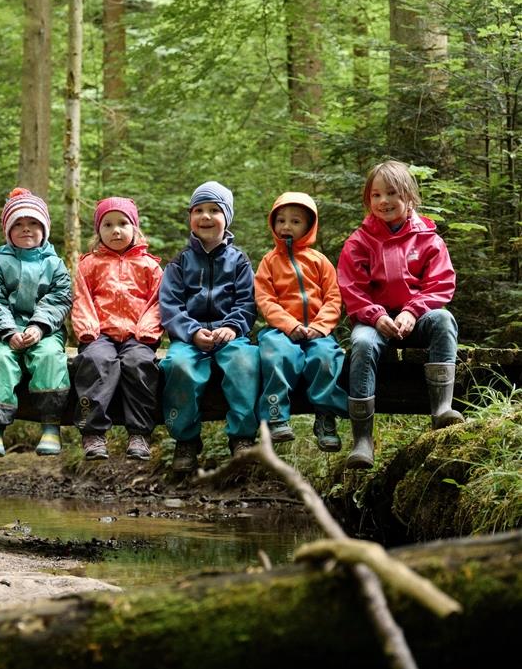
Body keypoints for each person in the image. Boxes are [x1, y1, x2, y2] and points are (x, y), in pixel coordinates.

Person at [337, 160, 462, 469]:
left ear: (409, 196)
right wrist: (377, 315)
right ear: (368, 200)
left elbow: (441, 283)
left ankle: (441, 410)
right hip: (374, 322)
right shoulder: (359, 242)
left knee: (444, 320)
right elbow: (352, 288)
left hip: (417, 318)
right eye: (376, 195)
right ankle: (363, 440)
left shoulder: (428, 239)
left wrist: (412, 310)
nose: (384, 201)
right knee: (363, 345)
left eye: (391, 193)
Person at [159, 181, 261, 472]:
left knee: (245, 361)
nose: (206, 216)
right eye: (199, 210)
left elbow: (247, 301)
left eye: (214, 210)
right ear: (190, 216)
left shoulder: (239, 261)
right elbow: (170, 305)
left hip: (230, 335)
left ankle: (242, 437)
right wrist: (191, 331)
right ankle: (186, 440)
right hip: (190, 337)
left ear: (226, 217)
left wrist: (232, 326)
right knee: (177, 365)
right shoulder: (179, 262)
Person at [0, 188, 72, 458]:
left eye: (33, 223)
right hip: (6, 330)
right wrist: (8, 332)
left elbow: (60, 298)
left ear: (44, 228)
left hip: (45, 331)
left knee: (50, 357)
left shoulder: (55, 264)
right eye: (18, 224)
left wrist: (38, 326)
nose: (26, 229)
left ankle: (51, 426)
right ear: (8, 231)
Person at [254, 192, 348, 451]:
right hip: (280, 331)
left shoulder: (319, 261)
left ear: (308, 227)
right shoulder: (269, 262)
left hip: (318, 331)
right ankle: (276, 415)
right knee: (276, 356)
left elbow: (333, 297)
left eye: (295, 222)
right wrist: (289, 325)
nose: (286, 226)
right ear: (272, 224)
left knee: (326, 359)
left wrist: (320, 326)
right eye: (281, 220)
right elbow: (265, 299)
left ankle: (326, 418)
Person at [69, 197, 162, 461]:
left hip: (138, 335)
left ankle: (139, 434)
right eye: (107, 225)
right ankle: (93, 433)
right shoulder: (90, 264)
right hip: (100, 333)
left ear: (135, 227)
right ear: (99, 231)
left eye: (123, 223)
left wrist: (146, 330)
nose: (116, 230)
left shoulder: (149, 266)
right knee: (97, 361)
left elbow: (157, 302)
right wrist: (88, 329)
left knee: (139, 363)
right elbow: (82, 298)